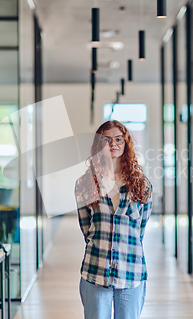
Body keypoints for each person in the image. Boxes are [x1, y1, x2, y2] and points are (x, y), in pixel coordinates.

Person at [75, 120, 153, 319]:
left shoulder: (141, 185)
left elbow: (140, 229)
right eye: (106, 140)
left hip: (131, 270)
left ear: (126, 143)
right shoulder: (85, 184)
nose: (113, 144)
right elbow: (87, 229)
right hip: (96, 269)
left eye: (119, 139)